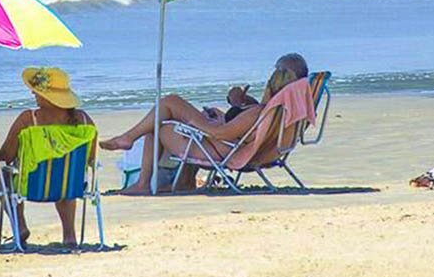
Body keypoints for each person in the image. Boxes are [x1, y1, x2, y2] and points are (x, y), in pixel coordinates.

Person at [101, 53, 309, 195]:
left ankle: (140, 175)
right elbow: (249, 127)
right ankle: (182, 181)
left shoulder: (259, 113)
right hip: (239, 148)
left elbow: (221, 134)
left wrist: (194, 121)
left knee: (167, 108)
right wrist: (237, 106)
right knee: (163, 116)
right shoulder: (286, 109)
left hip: (223, 149)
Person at [0, 67, 95, 247]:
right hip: (71, 187)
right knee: (65, 175)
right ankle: (69, 235)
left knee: (5, 176)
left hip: (32, 186)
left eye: (37, 91)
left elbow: (5, 156)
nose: (33, 93)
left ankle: (19, 226)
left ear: (47, 96)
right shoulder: (84, 120)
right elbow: (90, 159)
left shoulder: (28, 119)